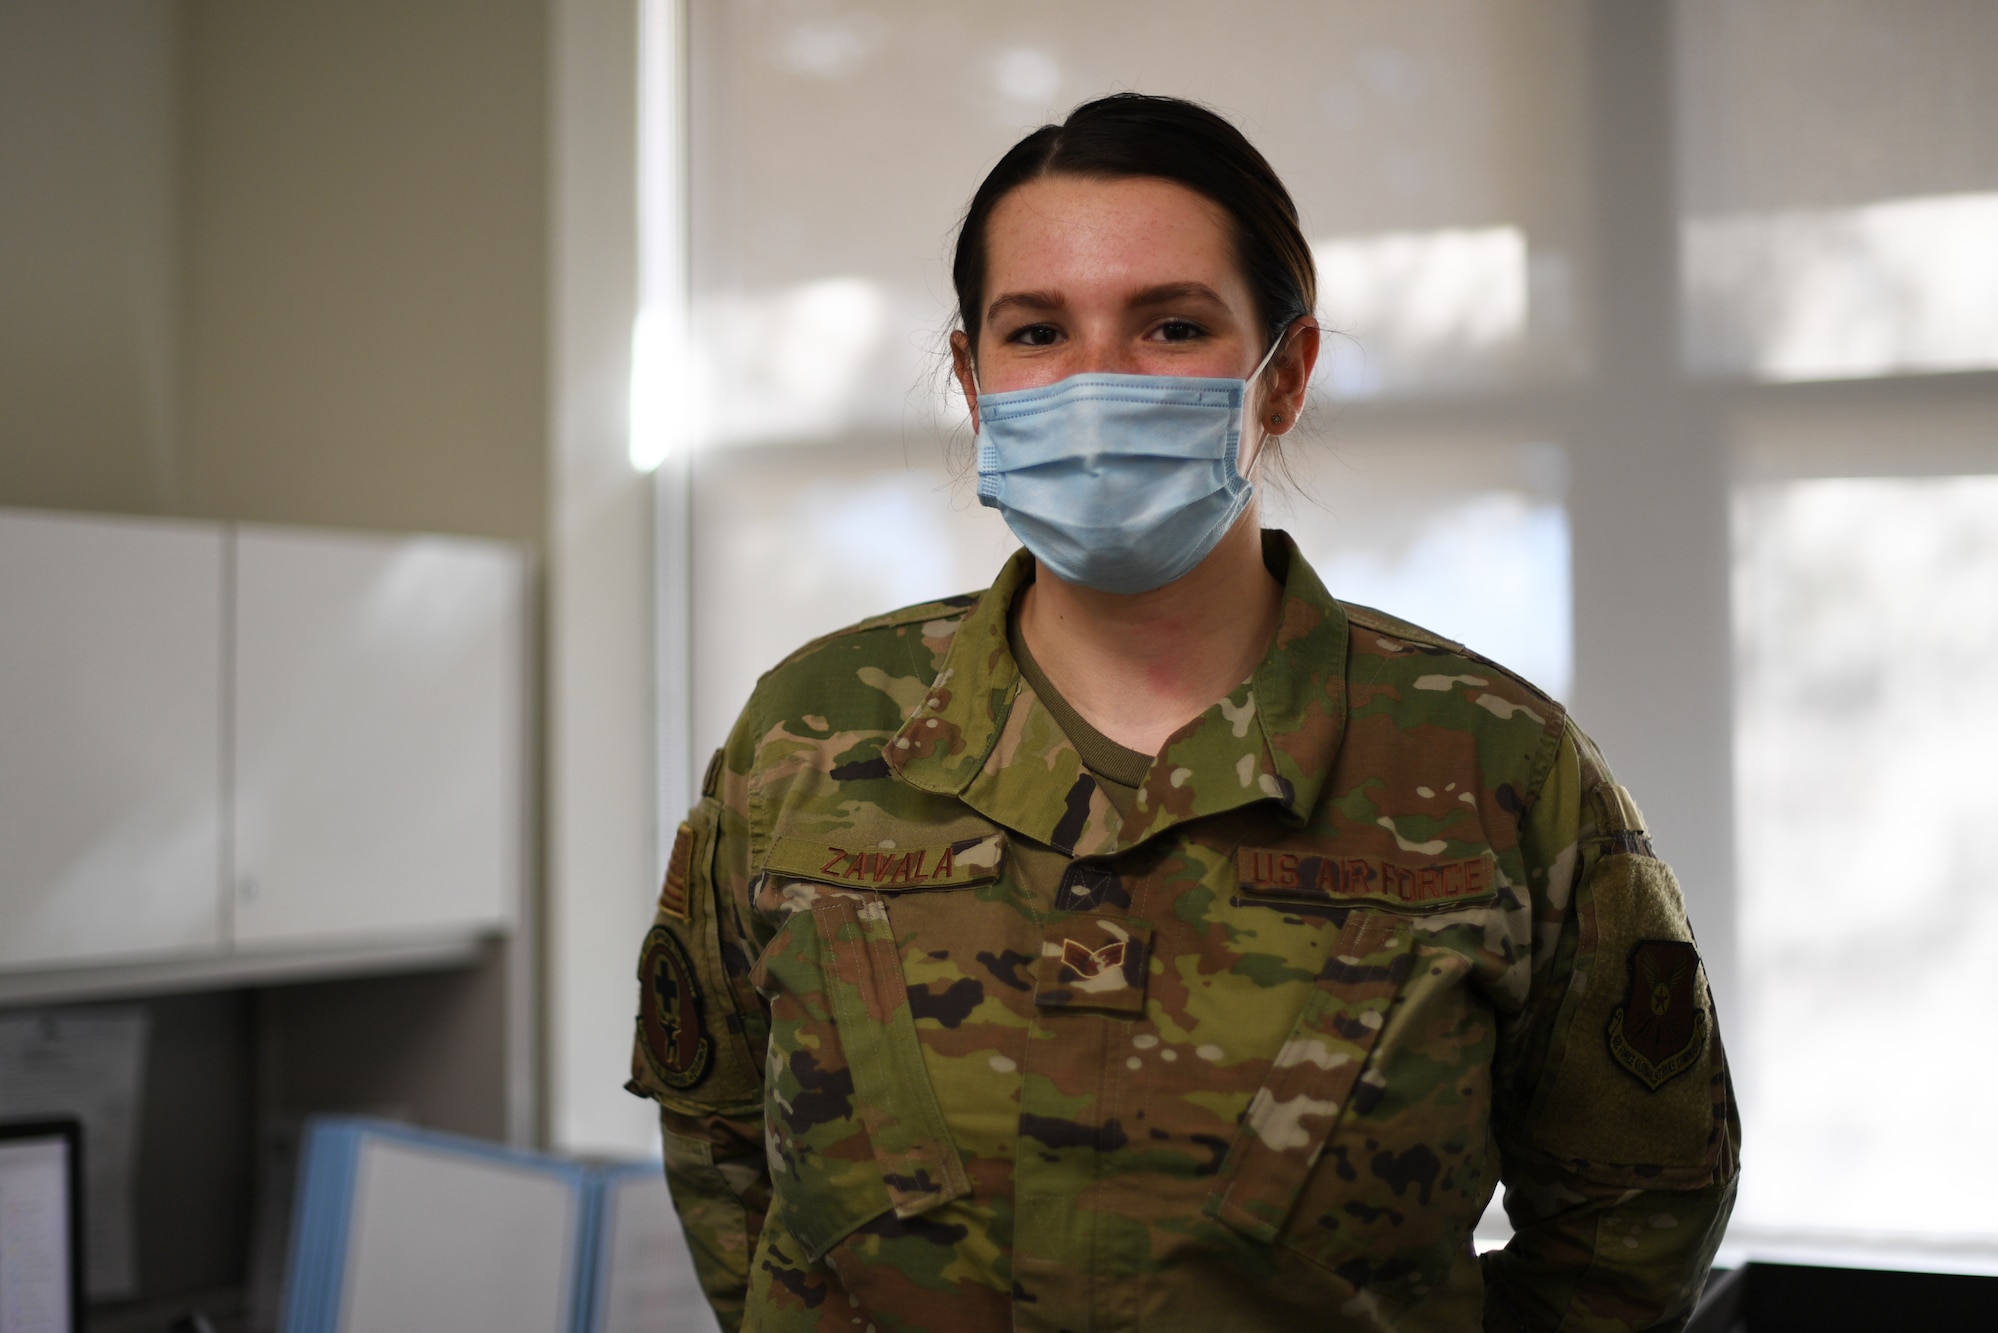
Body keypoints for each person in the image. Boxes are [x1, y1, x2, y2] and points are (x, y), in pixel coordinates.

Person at [628, 93, 1737, 1333]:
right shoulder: (810, 735)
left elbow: (1632, 1209)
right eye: (1038, 330)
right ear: (972, 379)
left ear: (1285, 374)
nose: (1095, 382)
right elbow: (721, 1150)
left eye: (1169, 325)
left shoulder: (1492, 764)